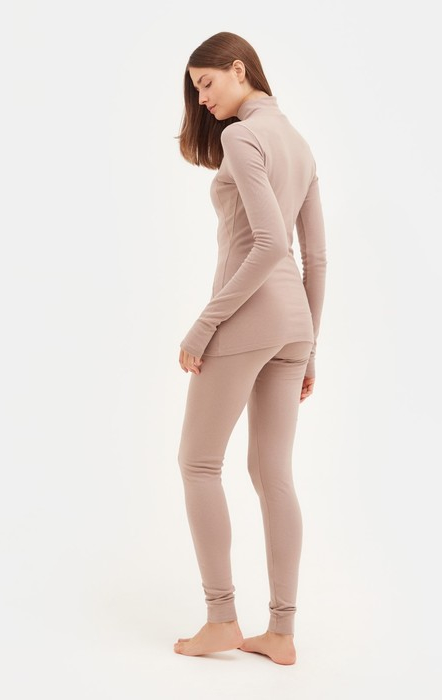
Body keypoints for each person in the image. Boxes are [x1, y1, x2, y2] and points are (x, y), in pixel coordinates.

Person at [174, 31, 327, 666]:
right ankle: (282, 633)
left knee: (198, 463)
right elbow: (315, 258)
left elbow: (267, 244)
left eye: (206, 83)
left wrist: (204, 325)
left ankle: (221, 619)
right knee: (272, 475)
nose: (201, 99)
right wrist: (310, 347)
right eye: (195, 90)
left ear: (239, 69)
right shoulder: (300, 143)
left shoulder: (243, 137)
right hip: (294, 323)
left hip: (248, 317)